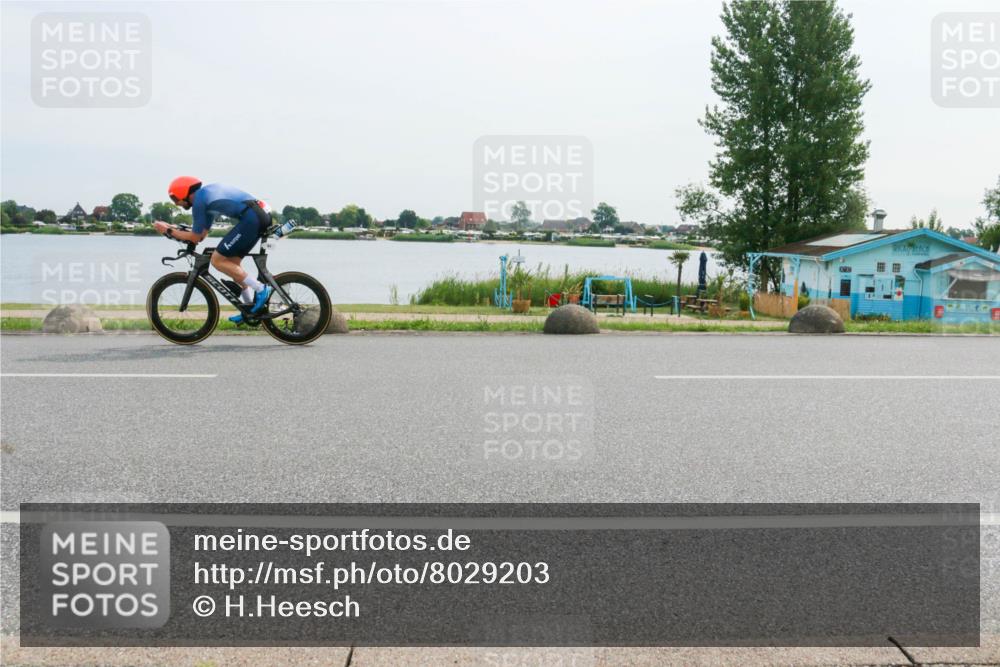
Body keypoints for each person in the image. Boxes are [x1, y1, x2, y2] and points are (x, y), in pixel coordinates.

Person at [153, 176, 272, 324]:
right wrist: (173, 228)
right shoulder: (205, 196)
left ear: (183, 192)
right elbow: (200, 234)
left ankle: (261, 289)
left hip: (252, 218)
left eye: (175, 199)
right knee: (232, 264)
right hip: (258, 214)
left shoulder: (199, 201)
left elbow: (195, 238)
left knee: (217, 260)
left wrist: (168, 231)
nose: (176, 203)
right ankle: (249, 309)